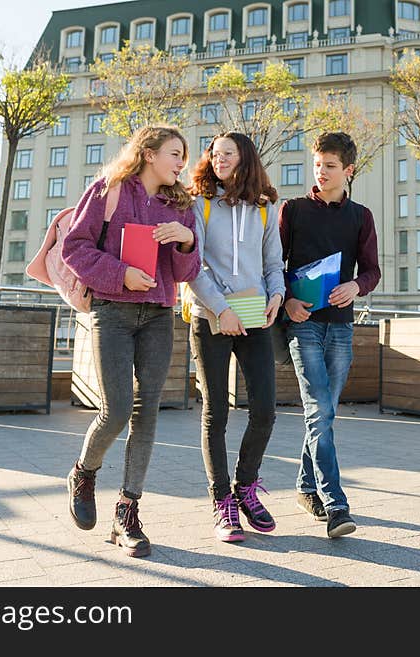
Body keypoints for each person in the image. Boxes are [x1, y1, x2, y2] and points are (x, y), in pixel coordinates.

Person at [61, 125, 200, 558]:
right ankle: (84, 472)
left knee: (147, 413)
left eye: (184, 155)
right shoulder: (108, 191)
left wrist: (186, 241)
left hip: (159, 315)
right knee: (116, 409)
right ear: (148, 153)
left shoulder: (182, 206)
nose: (182, 162)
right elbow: (74, 248)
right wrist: (121, 274)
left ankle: (127, 511)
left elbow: (186, 273)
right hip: (113, 314)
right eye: (175, 153)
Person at [279, 132, 381, 539]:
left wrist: (356, 286)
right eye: (317, 164)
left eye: (330, 166)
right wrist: (287, 300)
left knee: (324, 413)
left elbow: (372, 271)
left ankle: (306, 488)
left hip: (340, 326)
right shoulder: (294, 210)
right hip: (302, 324)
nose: (321, 172)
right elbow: (274, 265)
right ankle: (336, 504)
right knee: (319, 411)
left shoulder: (361, 216)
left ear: (348, 170)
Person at [187, 132, 285, 542]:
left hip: (255, 316)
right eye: (215, 152)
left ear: (245, 159)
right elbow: (192, 266)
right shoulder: (199, 204)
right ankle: (221, 500)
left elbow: (272, 263)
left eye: (228, 153)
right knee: (217, 413)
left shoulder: (264, 209)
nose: (219, 158)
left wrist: (277, 293)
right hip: (211, 316)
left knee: (264, 409)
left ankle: (246, 486)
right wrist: (220, 309)